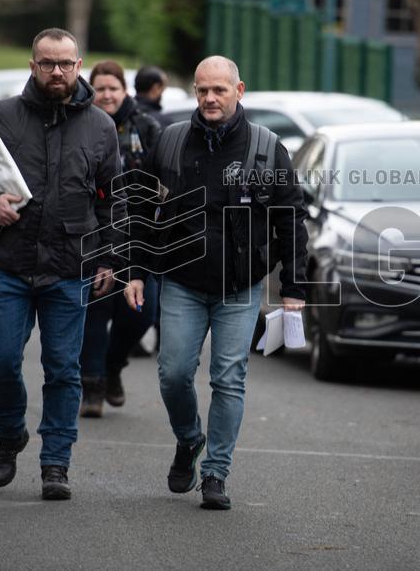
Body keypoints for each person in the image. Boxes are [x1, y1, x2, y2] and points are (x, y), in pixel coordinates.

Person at [0, 28, 125, 501]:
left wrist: (110, 259)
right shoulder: (2, 116)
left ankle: (56, 464)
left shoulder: (102, 128)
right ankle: (10, 434)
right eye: (48, 63)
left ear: (80, 65)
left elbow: (112, 202)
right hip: (8, 264)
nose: (58, 72)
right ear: (33, 66)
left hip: (70, 269)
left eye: (65, 63)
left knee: (64, 369)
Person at [123, 55, 308, 510]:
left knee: (229, 378)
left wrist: (295, 287)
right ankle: (190, 439)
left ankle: (215, 473)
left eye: (219, 90)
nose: (209, 98)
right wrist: (135, 269)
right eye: (202, 90)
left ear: (238, 91)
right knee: (173, 374)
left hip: (240, 289)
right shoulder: (169, 143)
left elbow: (290, 219)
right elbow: (142, 212)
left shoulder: (267, 149)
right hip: (182, 282)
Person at [79, 60, 162, 418]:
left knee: (141, 315)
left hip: (140, 240)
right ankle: (93, 386)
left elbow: (165, 177)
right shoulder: (80, 124)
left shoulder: (147, 127)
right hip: (94, 238)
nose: (107, 95)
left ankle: (113, 368)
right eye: (101, 88)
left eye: (114, 87)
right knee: (95, 313)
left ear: (125, 90)